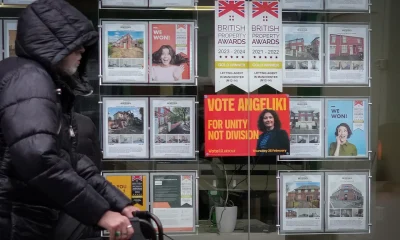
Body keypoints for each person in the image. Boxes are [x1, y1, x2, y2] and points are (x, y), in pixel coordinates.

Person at [0, 0, 135, 239]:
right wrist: (101, 213)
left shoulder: (32, 78)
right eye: (76, 45)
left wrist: (117, 202)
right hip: (16, 219)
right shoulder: (30, 80)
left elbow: (66, 158)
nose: (83, 51)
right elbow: (38, 156)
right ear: (54, 45)